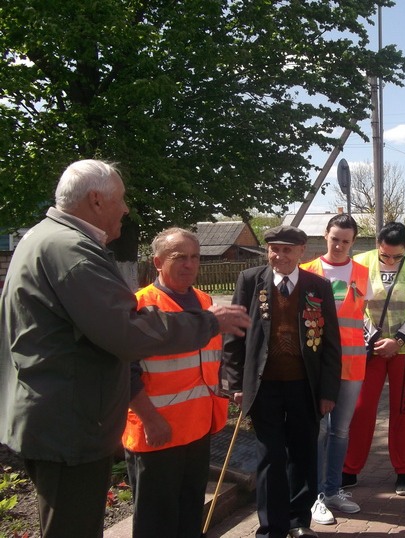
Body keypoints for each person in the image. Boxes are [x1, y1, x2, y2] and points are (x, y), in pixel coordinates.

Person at [0, 159, 251, 538]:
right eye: (121, 199)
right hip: (71, 423)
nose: (126, 208)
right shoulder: (70, 249)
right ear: (97, 200)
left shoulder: (47, 239)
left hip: (68, 417)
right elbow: (126, 332)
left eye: (194, 257)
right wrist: (210, 322)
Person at [221, 225, 341, 538]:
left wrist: (328, 391)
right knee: (270, 457)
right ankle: (271, 527)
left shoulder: (318, 287)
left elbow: (330, 343)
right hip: (264, 386)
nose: (280, 255)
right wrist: (235, 383)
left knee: (302, 453)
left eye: (288, 250)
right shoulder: (250, 281)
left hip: (305, 385)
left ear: (302, 252)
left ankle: (298, 522)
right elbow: (234, 334)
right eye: (274, 249)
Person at [122, 227, 230, 537]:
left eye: (195, 257)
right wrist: (150, 419)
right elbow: (125, 372)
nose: (189, 264)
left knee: (188, 517)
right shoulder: (140, 306)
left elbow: (213, 360)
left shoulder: (206, 301)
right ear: (157, 262)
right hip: (157, 433)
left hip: (197, 429)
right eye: (179, 257)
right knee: (156, 522)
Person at [342, 222, 405, 496]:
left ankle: (403, 472)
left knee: (404, 410)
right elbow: (352, 305)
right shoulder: (360, 262)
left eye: (396, 256)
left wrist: (399, 339)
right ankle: (349, 469)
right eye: (385, 256)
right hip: (370, 348)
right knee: (361, 408)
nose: (390, 261)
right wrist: (373, 337)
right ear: (377, 246)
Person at [299, 214, 371, 525]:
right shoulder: (308, 272)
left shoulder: (364, 274)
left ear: (353, 242)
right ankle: (314, 496)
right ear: (325, 237)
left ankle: (332, 490)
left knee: (341, 430)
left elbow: (366, 317)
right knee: (320, 429)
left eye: (345, 240)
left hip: (352, 361)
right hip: (316, 364)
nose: (339, 245)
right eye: (334, 238)